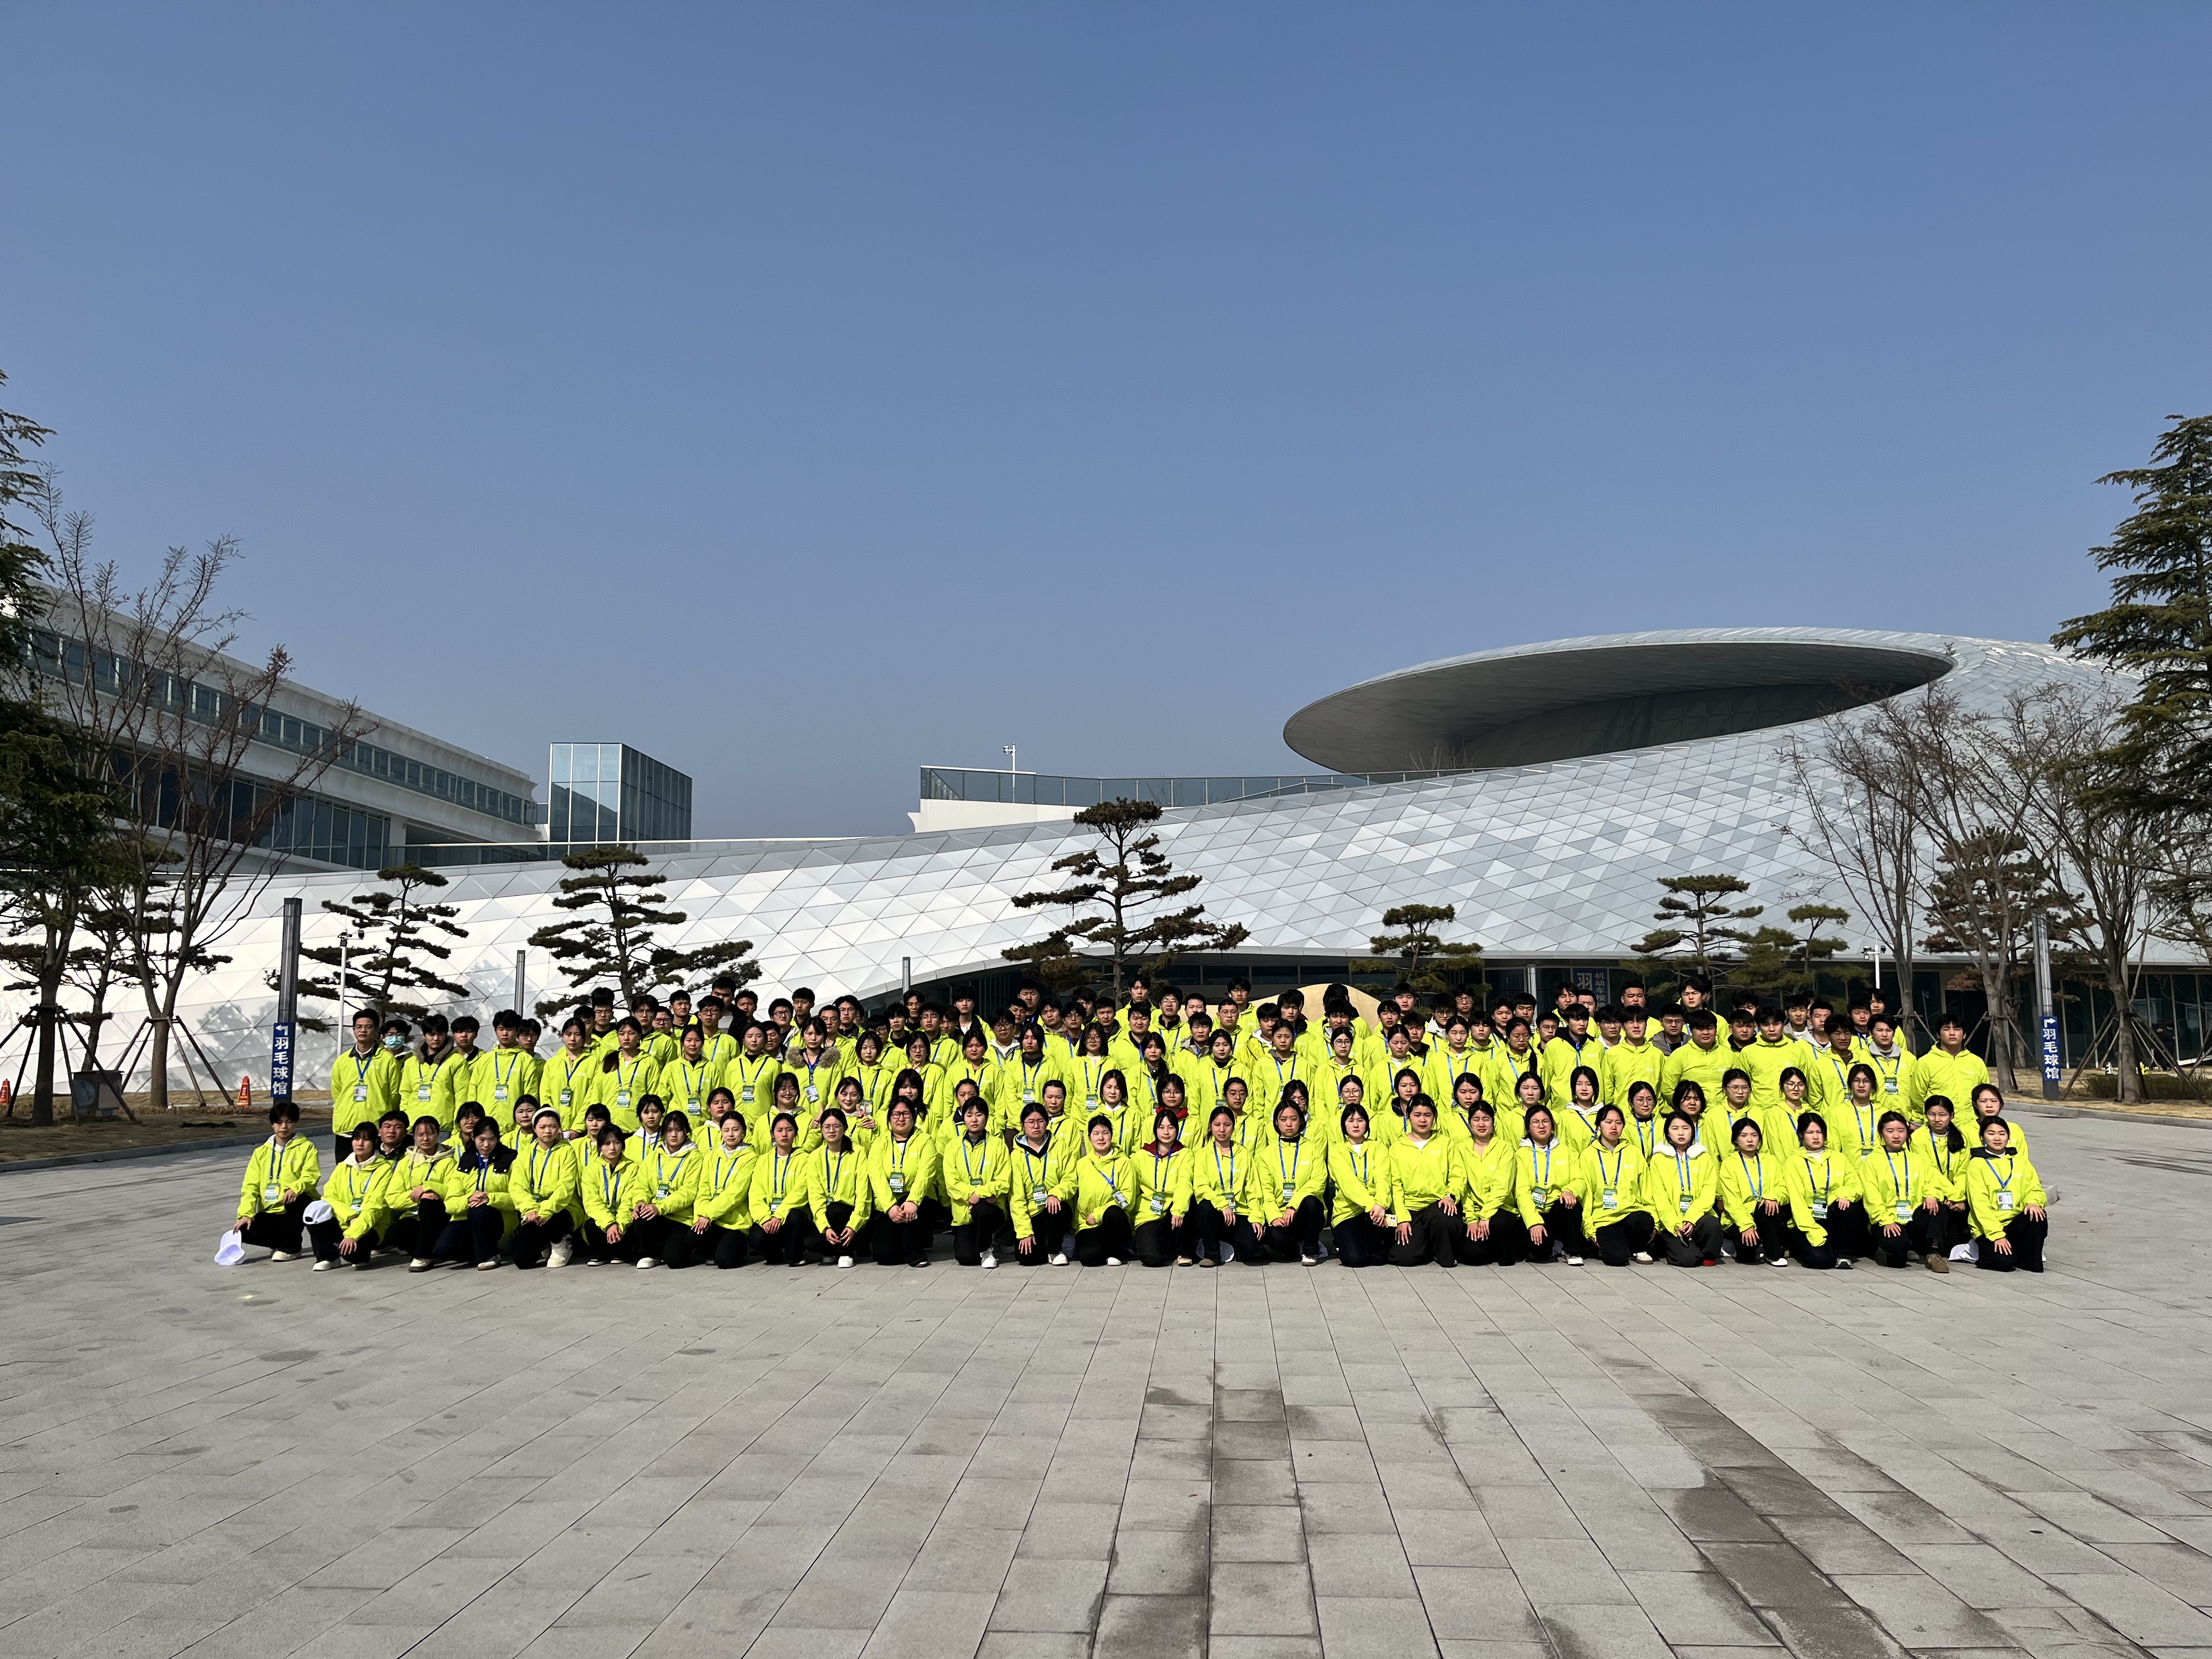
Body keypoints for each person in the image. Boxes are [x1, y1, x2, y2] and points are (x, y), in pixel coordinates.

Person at [1859, 1109, 1948, 1273]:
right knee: (1897, 1259)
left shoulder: (1917, 1159)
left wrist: (1931, 1195)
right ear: (1881, 1134)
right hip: (1888, 1221)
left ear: (1907, 1133)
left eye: (1901, 1131)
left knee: (1937, 1208)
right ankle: (1902, 1247)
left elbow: (1932, 1181)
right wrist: (1885, 1220)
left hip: (1913, 1217)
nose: (1896, 1136)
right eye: (1890, 1131)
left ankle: (1933, 1253)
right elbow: (1872, 1197)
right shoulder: (1872, 1161)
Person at [234, 1101, 322, 1262]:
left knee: (295, 1201)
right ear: (272, 1124)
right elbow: (250, 1187)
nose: (284, 1127)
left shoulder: (307, 1147)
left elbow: (311, 1176)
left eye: (289, 1122)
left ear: (295, 1123)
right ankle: (280, 1243)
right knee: (242, 1230)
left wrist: (295, 1188)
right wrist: (246, 1214)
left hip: (297, 1204)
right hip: (271, 1210)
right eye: (279, 1122)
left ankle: (292, 1248)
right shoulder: (260, 1153)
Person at [1385, 1096, 1462, 1267]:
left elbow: (1458, 1175)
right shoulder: (1397, 1148)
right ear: (1408, 1115)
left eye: (1428, 1115)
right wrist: (1402, 1218)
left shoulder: (1446, 1143)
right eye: (1417, 1115)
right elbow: (1395, 1186)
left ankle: (1443, 1252)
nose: (1423, 1120)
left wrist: (1450, 1196)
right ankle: (1426, 1245)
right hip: (1411, 1207)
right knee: (1404, 1258)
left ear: (1434, 1116)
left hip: (1438, 1203)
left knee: (1445, 1217)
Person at [1965, 1115, 2047, 1272]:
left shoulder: (2020, 1161)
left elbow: (2035, 1188)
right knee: (2004, 1263)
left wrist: (2033, 1202)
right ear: (1982, 1137)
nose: (1997, 1138)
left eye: (2002, 1134)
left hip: (2014, 1222)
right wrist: (1997, 1235)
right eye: (1991, 1133)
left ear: (2009, 1137)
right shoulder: (1977, 1164)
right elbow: (1980, 1205)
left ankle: (2026, 1256)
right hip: (1989, 1227)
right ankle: (1975, 1250)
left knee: (2037, 1215)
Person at [1251, 1099, 1328, 1265]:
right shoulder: (1267, 1155)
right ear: (1276, 1123)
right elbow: (1265, 1191)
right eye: (1283, 1119)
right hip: (1280, 1214)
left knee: (1312, 1202)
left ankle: (1310, 1251)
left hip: (1304, 1213)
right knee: (1274, 1237)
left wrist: (1293, 1205)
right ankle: (1295, 1249)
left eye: (1294, 1119)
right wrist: (1274, 1216)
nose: (1289, 1124)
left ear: (1301, 1121)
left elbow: (1319, 1181)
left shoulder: (1312, 1149)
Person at [436, 1116, 517, 1270]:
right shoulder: (466, 1160)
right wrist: (469, 1199)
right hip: (466, 1217)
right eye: (482, 1140)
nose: (486, 1145)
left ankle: (489, 1255)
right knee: (443, 1250)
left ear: (498, 1139)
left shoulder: (510, 1158)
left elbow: (518, 1197)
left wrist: (490, 1198)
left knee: (479, 1211)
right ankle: (478, 1252)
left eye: (492, 1140)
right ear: (473, 1137)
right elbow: (450, 1203)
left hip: (498, 1217)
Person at [1577, 1105, 1653, 1267]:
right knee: (1617, 1260)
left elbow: (1647, 1191)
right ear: (1598, 1126)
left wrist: (1655, 1224)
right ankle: (1619, 1247)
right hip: (1604, 1219)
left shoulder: (1633, 1152)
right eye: (1608, 1122)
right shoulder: (1588, 1155)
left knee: (1645, 1220)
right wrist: (1590, 1229)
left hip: (1630, 1214)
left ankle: (1634, 1248)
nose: (1614, 1127)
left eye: (1619, 1123)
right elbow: (1587, 1197)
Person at [624, 1110, 703, 1268]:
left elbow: (688, 1192)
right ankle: (650, 1254)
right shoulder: (654, 1156)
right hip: (658, 1213)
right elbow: (641, 1185)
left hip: (681, 1218)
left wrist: (660, 1207)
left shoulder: (695, 1157)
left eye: (679, 1130)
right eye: (669, 1130)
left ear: (686, 1132)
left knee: (675, 1260)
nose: (674, 1135)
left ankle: (694, 1251)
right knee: (641, 1216)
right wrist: (640, 1201)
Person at [1642, 1110, 1721, 1267]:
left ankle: (1704, 1252)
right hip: (1672, 1221)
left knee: (1712, 1225)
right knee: (1687, 1260)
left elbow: (1708, 1193)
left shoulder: (1704, 1158)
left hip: (1698, 1218)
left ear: (1692, 1131)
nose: (1681, 1133)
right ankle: (1680, 1246)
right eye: (1675, 1128)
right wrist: (1676, 1224)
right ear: (1668, 1133)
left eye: (1686, 1128)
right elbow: (1660, 1198)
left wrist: (1691, 1219)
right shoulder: (1659, 1160)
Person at [1782, 1113, 1861, 1269]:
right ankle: (1798, 1247)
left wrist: (1844, 1194)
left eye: (1819, 1132)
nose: (1815, 1137)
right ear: (1801, 1135)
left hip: (1831, 1215)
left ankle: (1843, 1255)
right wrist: (1812, 1230)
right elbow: (1797, 1202)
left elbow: (1856, 1186)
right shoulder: (1794, 1161)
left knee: (1847, 1207)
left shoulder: (1839, 1158)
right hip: (1807, 1220)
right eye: (1810, 1133)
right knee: (1822, 1262)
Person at [868, 1098, 941, 1266]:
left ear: (914, 1117)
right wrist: (890, 1206)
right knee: (885, 1256)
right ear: (889, 1118)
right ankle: (900, 1244)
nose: (901, 1118)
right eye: (896, 1114)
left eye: (906, 1114)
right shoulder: (879, 1143)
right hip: (890, 1202)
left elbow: (925, 1174)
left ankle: (915, 1252)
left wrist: (913, 1201)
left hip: (918, 1200)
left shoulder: (925, 1141)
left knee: (913, 1215)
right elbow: (877, 1177)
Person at [308, 1121, 386, 1269]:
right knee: (315, 1210)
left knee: (355, 1257)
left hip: (371, 1226)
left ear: (375, 1142)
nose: (360, 1144)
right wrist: (350, 1216)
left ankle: (355, 1250)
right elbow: (329, 1197)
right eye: (357, 1139)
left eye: (366, 1139)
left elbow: (375, 1208)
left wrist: (353, 1234)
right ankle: (328, 1257)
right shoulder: (343, 1167)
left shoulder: (384, 1169)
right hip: (345, 1222)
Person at [1062, 1114, 1138, 1267]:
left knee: (1114, 1213)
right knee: (1090, 1258)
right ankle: (1103, 1248)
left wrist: (1098, 1214)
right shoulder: (1082, 1164)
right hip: (1087, 1223)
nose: (1101, 1138)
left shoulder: (1124, 1162)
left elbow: (1127, 1200)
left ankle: (1115, 1252)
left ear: (1112, 1135)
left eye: (1105, 1133)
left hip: (1114, 1221)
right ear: (1089, 1139)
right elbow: (1072, 1190)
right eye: (1096, 1134)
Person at [511, 1106, 582, 1269]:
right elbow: (517, 1186)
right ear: (534, 1129)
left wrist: (546, 1209)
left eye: (553, 1126)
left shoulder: (567, 1151)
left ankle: (560, 1244)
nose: (548, 1131)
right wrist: (529, 1208)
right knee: (522, 1261)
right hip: (534, 1211)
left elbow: (565, 1187)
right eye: (542, 1127)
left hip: (562, 1209)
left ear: (559, 1128)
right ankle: (546, 1243)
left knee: (555, 1218)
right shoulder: (526, 1153)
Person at [1511, 1105, 1582, 1266]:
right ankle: (1554, 1245)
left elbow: (1580, 1180)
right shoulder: (1520, 1155)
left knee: (1572, 1206)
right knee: (1540, 1253)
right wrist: (1534, 1222)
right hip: (1534, 1211)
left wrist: (1570, 1190)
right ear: (1528, 1127)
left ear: (1552, 1125)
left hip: (1557, 1210)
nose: (1541, 1126)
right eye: (1535, 1122)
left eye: (1546, 1121)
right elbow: (1522, 1192)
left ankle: (1571, 1250)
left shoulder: (1567, 1151)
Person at [384, 1115, 455, 1271]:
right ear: (414, 1137)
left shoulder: (449, 1161)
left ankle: (423, 1256)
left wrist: (429, 1187)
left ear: (438, 1134)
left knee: (430, 1203)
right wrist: (418, 1197)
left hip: (439, 1216)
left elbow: (453, 1191)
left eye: (430, 1134)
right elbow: (392, 1198)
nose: (425, 1139)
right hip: (414, 1216)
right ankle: (427, 1249)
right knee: (393, 1234)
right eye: (420, 1135)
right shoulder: (406, 1162)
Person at [946, 1098, 1011, 1268]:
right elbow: (952, 1183)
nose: (974, 1120)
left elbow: (1004, 1181)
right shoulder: (953, 1146)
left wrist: (980, 1194)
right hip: (965, 1211)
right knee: (966, 1258)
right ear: (963, 1118)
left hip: (991, 1209)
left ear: (987, 1117)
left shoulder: (998, 1145)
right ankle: (981, 1245)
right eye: (969, 1115)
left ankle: (986, 1249)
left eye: (979, 1115)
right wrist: (975, 1195)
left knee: (982, 1210)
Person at [689, 1109, 758, 1268]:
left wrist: (708, 1214)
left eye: (736, 1130)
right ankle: (713, 1250)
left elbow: (736, 1195)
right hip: (713, 1219)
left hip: (735, 1223)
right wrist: (700, 1216)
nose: (731, 1134)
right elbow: (703, 1191)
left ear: (744, 1132)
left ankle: (739, 1249)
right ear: (721, 1133)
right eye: (726, 1130)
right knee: (692, 1238)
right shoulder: (711, 1157)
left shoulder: (750, 1158)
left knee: (725, 1261)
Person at [1190, 1105, 1258, 1266]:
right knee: (1204, 1207)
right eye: (1217, 1125)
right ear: (1211, 1126)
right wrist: (1223, 1204)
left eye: (1227, 1125)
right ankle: (1212, 1254)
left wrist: (1257, 1217)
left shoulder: (1244, 1154)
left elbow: (1253, 1189)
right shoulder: (1202, 1155)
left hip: (1240, 1212)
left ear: (1233, 1127)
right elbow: (1201, 1187)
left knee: (1249, 1253)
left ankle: (1231, 1246)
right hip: (1217, 1211)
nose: (1222, 1130)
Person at [330, 1008, 399, 1161]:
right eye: (359, 1027)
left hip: (375, 1129)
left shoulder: (388, 1060)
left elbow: (394, 1095)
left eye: (368, 1027)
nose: (363, 1031)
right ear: (354, 1030)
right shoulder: (342, 1061)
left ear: (376, 1030)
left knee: (376, 1171)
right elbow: (337, 1093)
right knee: (344, 1171)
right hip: (347, 1129)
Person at [803, 1107, 868, 1268]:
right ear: (821, 1130)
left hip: (850, 1213)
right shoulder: (815, 1157)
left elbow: (863, 1194)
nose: (831, 1131)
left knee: (836, 1210)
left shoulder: (858, 1153)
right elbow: (815, 1197)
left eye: (836, 1126)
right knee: (810, 1241)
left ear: (845, 1128)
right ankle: (831, 1251)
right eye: (827, 1127)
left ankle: (845, 1253)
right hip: (827, 1214)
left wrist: (854, 1225)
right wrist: (825, 1227)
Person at [1910, 1096, 1973, 1259]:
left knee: (1953, 1244)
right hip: (1930, 1188)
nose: (1937, 1119)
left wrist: (1960, 1197)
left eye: (1942, 1115)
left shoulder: (1961, 1137)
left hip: (1955, 1194)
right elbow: (1929, 1171)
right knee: (1938, 1208)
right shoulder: (1918, 1138)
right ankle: (1931, 1248)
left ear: (1952, 1116)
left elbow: (1963, 1171)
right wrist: (1954, 1195)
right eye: (1932, 1114)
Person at [1327, 1104, 1391, 1267]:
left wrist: (1381, 1204)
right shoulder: (1337, 1151)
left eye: (1360, 1120)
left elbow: (1383, 1178)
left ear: (1367, 1124)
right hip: (1349, 1212)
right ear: (1344, 1125)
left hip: (1377, 1212)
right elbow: (1348, 1184)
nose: (1356, 1125)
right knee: (1355, 1260)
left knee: (1380, 1259)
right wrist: (1371, 1205)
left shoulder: (1378, 1147)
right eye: (1351, 1121)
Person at [1009, 1102, 1071, 1266]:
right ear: (1023, 1125)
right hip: (1032, 1212)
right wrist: (1025, 1231)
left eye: (1040, 1121)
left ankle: (1055, 1250)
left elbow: (1070, 1179)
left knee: (1057, 1209)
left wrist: (1056, 1193)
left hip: (1054, 1207)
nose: (1036, 1126)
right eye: (1031, 1122)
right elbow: (1016, 1198)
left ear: (1047, 1122)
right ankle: (1045, 1244)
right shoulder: (1016, 1155)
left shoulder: (1060, 1147)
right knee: (1027, 1259)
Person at [1718, 1118, 1787, 1266]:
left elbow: (1783, 1187)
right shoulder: (1729, 1164)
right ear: (1735, 1140)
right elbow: (1732, 1202)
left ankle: (1773, 1254)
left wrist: (1772, 1197)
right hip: (1739, 1217)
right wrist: (1746, 1225)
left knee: (1770, 1207)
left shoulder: (1771, 1161)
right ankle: (1734, 1243)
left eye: (1754, 1135)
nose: (1750, 1140)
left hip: (1764, 1212)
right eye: (1744, 1136)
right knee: (1747, 1257)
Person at [1132, 1109, 1193, 1267]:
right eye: (1161, 1127)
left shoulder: (1185, 1154)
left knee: (1190, 1202)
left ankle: (1183, 1251)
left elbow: (1184, 1183)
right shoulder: (1141, 1156)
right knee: (1152, 1258)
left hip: (1173, 1210)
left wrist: (1178, 1210)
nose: (1166, 1132)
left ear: (1176, 1130)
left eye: (1171, 1127)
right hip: (1149, 1213)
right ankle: (1165, 1246)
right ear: (1155, 1130)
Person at [750, 1113, 809, 1266]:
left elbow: (801, 1192)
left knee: (796, 1216)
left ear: (796, 1133)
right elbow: (756, 1194)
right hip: (770, 1217)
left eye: (789, 1130)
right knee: (755, 1238)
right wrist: (765, 1219)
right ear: (772, 1134)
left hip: (790, 1217)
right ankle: (775, 1255)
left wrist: (780, 1215)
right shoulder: (763, 1161)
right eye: (779, 1130)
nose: (784, 1134)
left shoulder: (805, 1159)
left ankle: (795, 1255)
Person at [578, 1124, 638, 1266]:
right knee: (591, 1225)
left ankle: (621, 1252)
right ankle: (600, 1252)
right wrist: (610, 1224)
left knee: (634, 1222)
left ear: (623, 1145)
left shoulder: (633, 1168)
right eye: (607, 1144)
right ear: (600, 1147)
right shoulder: (590, 1170)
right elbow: (592, 1202)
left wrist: (619, 1225)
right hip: (602, 1222)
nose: (612, 1148)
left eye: (617, 1142)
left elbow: (629, 1201)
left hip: (623, 1223)